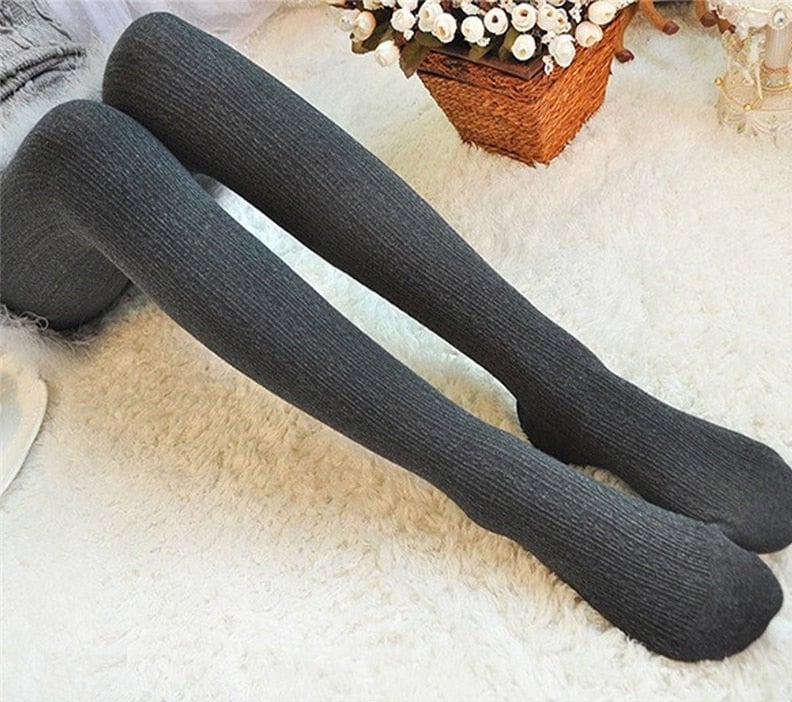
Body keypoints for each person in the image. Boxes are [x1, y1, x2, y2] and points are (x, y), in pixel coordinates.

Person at [2, 11, 790, 661]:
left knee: (157, 52)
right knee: (84, 145)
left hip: (67, 93)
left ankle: (570, 388)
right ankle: (499, 480)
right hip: (32, 221)